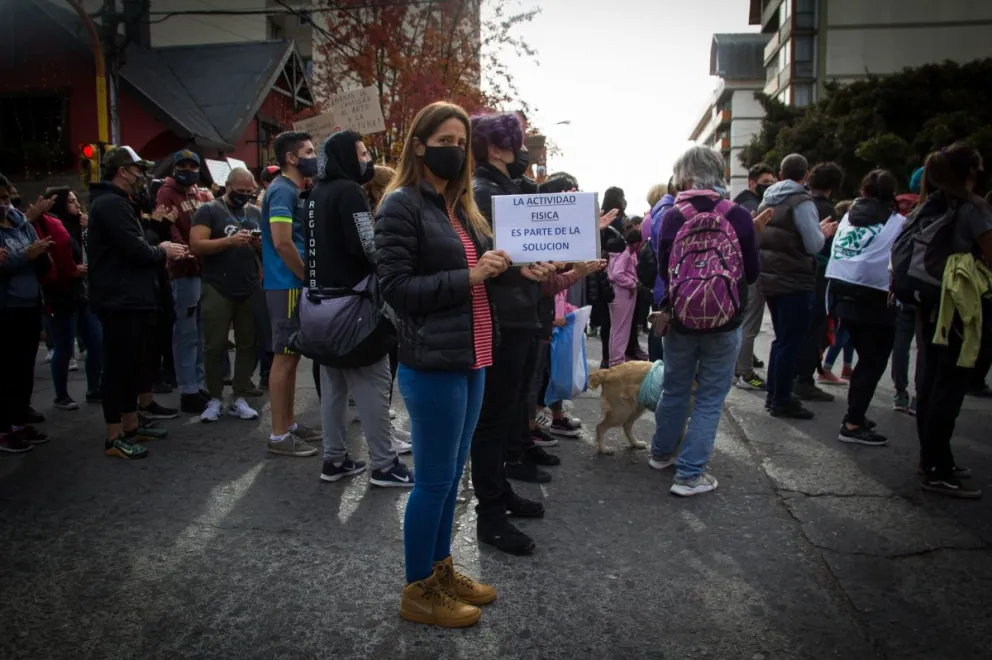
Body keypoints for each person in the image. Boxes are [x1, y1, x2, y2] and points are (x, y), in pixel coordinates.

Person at [376, 101, 506, 627]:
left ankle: (440, 569)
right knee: (432, 483)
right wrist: (472, 279)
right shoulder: (400, 205)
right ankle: (418, 591)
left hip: (472, 355)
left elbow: (486, 270)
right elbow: (398, 289)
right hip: (432, 362)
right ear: (418, 144)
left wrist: (524, 268)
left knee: (453, 478)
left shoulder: (459, 208)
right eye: (445, 141)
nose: (454, 150)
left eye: (461, 142)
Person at [469, 111, 555, 554]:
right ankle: (490, 514)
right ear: (497, 147)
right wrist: (524, 268)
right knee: (492, 419)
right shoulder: (486, 192)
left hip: (516, 314)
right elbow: (492, 262)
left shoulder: (501, 189)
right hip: (502, 317)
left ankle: (498, 493)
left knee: (501, 415)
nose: (523, 151)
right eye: (516, 143)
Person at [651, 146, 759, 496]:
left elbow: (665, 271)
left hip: (680, 319)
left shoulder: (672, 216)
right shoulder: (739, 215)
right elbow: (753, 272)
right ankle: (689, 475)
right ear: (720, 174)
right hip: (726, 320)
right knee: (711, 397)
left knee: (675, 388)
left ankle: (661, 453)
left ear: (683, 176)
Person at [308, 130, 412, 486]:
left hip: (320, 306)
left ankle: (334, 460)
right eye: (363, 153)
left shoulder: (316, 192)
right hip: (354, 308)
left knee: (333, 388)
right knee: (373, 384)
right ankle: (384, 464)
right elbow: (369, 246)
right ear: (346, 158)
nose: (367, 159)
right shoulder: (349, 191)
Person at [88, 147, 187, 459]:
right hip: (120, 298)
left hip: (134, 296)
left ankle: (132, 426)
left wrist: (156, 243)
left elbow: (142, 242)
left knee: (134, 365)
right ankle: (114, 435)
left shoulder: (122, 204)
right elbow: (137, 250)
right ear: (122, 171)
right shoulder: (109, 204)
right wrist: (164, 250)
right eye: (137, 170)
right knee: (118, 367)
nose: (141, 177)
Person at [912, 144, 992, 499]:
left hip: (925, 300)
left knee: (930, 381)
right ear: (970, 171)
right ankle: (937, 466)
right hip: (958, 303)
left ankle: (931, 458)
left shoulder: (928, 204)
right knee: (950, 383)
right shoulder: (972, 208)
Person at [825, 169, 906, 446]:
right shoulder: (897, 221)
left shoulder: (848, 216)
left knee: (865, 359)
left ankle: (855, 415)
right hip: (875, 298)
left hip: (841, 291)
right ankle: (853, 422)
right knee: (872, 363)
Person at [759, 153, 835, 419]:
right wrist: (822, 233)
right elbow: (813, 244)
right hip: (794, 279)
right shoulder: (802, 201)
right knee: (790, 342)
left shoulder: (767, 200)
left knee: (781, 340)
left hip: (770, 278)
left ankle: (773, 394)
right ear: (805, 176)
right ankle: (781, 399)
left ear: (780, 174)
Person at [260, 131, 322, 457]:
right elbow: (283, 242)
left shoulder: (292, 190)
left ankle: (290, 423)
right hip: (286, 284)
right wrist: (307, 277)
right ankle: (279, 434)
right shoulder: (283, 191)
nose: (315, 156)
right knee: (283, 358)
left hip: (290, 283)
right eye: (309, 151)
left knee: (291, 355)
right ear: (291, 158)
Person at [189, 167, 263, 423]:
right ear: (227, 186)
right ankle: (215, 397)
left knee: (247, 343)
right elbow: (196, 244)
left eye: (249, 191)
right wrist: (228, 242)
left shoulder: (254, 212)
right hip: (216, 285)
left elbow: (267, 249)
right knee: (215, 345)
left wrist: (257, 243)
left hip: (249, 284)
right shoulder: (208, 210)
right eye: (240, 191)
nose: (244, 195)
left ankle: (239, 394)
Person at [0, 174, 54, 452]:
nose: (5, 205)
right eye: (0, 200)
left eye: (7, 198)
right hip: (6, 309)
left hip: (30, 304)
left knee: (24, 370)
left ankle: (20, 423)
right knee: (8, 371)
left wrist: (43, 253)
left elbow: (39, 255)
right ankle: (6, 430)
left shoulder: (22, 224)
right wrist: (27, 256)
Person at [37, 187, 103, 410]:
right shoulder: (53, 227)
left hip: (82, 294)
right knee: (64, 348)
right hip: (62, 295)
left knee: (95, 341)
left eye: (77, 201)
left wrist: (88, 230)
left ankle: (94, 388)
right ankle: (61, 395)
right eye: (71, 202)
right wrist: (72, 271)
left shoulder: (79, 227)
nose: (76, 205)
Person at [157, 149, 212, 414]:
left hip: (203, 271)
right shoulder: (166, 193)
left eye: (193, 165)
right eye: (183, 165)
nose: (188, 169)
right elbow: (167, 228)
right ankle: (188, 389)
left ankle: (199, 384)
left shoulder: (201, 194)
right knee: (186, 333)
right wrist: (189, 251)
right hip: (183, 270)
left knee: (200, 332)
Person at [794, 162, 844, 403]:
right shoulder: (827, 210)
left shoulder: (799, 203)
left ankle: (794, 376)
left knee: (795, 329)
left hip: (794, 274)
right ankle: (804, 379)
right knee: (814, 329)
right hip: (818, 276)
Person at [733, 163, 778, 389]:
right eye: (765, 183)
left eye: (772, 182)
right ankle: (745, 372)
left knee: (742, 322)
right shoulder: (754, 206)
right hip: (750, 271)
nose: (769, 187)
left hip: (735, 271)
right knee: (750, 324)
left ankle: (738, 368)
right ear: (752, 182)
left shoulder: (736, 203)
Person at [607, 229, 641, 367]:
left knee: (616, 328)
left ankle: (615, 359)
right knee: (622, 328)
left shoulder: (621, 252)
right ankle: (617, 361)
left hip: (618, 292)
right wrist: (632, 283)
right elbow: (617, 274)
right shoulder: (626, 253)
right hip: (623, 293)